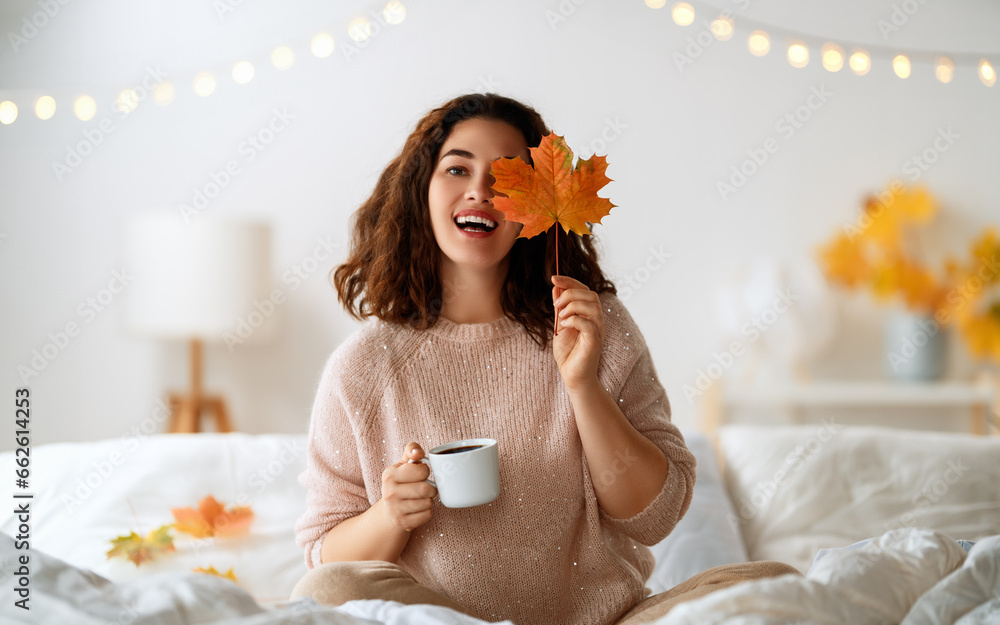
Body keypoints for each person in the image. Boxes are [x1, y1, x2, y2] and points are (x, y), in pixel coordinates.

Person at [291, 93, 795, 625]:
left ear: (538, 205)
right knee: (331, 587)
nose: (480, 191)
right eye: (457, 168)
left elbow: (654, 516)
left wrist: (583, 386)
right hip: (441, 621)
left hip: (607, 621)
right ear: (421, 191)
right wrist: (389, 515)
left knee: (774, 584)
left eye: (508, 176)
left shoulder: (593, 324)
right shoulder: (363, 367)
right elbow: (323, 554)